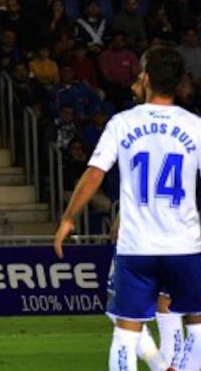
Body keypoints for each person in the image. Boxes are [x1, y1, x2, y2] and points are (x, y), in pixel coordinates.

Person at [54, 47, 201, 371]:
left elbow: (94, 174)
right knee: (197, 326)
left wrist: (68, 218)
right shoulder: (195, 126)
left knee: (125, 333)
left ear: (146, 77)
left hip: (136, 247)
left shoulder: (122, 123)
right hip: (184, 245)